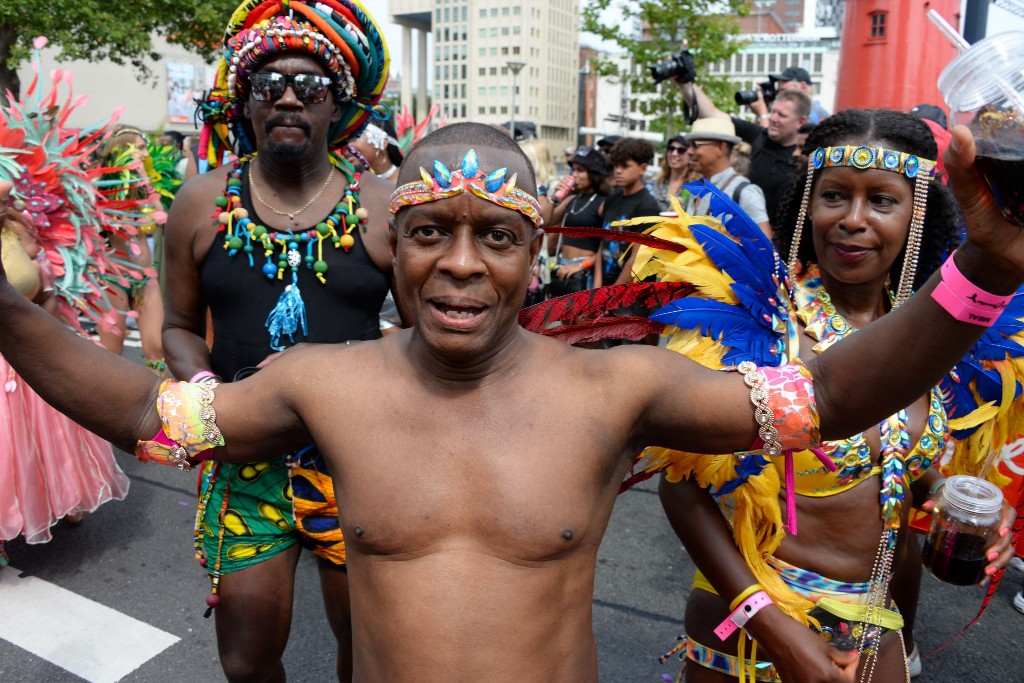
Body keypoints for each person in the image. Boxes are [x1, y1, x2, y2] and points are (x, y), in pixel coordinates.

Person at [1, 118, 1023, 683]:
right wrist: (7, 312)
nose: (458, 263)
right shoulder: (320, 381)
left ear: (535, 256)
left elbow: (829, 393)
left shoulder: (611, 385)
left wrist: (977, 267)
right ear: (386, 243)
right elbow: (150, 413)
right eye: (429, 229)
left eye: (495, 234)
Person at [639, 109, 1020, 681]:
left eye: (882, 201)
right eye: (835, 196)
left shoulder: (932, 340)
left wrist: (945, 495)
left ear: (918, 212)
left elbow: (891, 465)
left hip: (870, 621)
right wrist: (771, 626)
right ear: (806, 206)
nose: (853, 220)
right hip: (751, 625)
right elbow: (683, 488)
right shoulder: (759, 326)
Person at [160, 1, 393, 681]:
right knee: (246, 658)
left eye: (310, 86)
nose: (288, 97)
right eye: (268, 85)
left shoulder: (382, 205)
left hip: (359, 460)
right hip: (244, 457)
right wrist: (206, 393)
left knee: (372, 648)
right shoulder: (201, 203)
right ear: (245, 103)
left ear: (339, 105)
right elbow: (178, 324)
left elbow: (422, 332)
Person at [679, 83, 810, 226]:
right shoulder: (759, 136)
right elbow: (713, 117)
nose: (773, 118)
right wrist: (685, 83)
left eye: (782, 115)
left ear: (801, 121)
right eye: (772, 112)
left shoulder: (802, 161)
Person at [96, 126, 168, 377]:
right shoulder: (100, 189)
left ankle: (154, 405)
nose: (145, 154)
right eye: (140, 148)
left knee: (157, 347)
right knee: (110, 351)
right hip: (112, 277)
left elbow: (160, 217)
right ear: (122, 150)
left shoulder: (143, 187)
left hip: (145, 277)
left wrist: (144, 180)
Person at [543, 145, 612, 298]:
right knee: (564, 320)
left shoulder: (604, 202)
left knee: (580, 320)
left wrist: (581, 265)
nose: (574, 175)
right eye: (573, 170)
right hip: (563, 267)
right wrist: (555, 197)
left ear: (594, 173)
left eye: (580, 170)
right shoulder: (572, 199)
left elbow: (606, 247)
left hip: (584, 270)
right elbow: (547, 221)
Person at [682, 118, 770, 235]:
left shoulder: (745, 192)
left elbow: (763, 248)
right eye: (689, 145)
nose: (689, 151)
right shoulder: (697, 189)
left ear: (721, 147)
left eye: (695, 145)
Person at [601, 137, 663, 285]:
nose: (618, 171)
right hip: (603, 289)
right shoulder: (612, 199)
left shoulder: (648, 206)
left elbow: (638, 258)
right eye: (616, 165)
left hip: (631, 296)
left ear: (642, 169)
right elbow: (601, 246)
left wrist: (611, 298)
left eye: (625, 166)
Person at [345, 117, 404, 182]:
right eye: (343, 141)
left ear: (383, 142)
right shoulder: (352, 183)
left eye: (355, 137)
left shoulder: (409, 179)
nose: (346, 146)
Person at [651, 134, 699, 212]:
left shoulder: (695, 187)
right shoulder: (656, 183)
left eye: (681, 150)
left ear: (690, 154)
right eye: (671, 149)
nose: (674, 153)